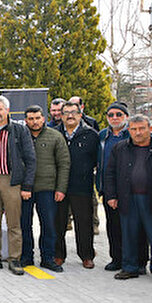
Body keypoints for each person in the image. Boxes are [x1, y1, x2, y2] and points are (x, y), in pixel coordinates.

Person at [0, 96, 36, 275]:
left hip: (11, 181)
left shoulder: (19, 130)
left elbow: (30, 159)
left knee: (13, 223)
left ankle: (14, 259)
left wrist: (27, 186)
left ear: (7, 110)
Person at [98, 102, 147, 272]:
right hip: (118, 192)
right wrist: (108, 193)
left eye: (118, 114)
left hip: (141, 194)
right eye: (110, 115)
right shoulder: (108, 139)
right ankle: (123, 263)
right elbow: (106, 169)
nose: (114, 118)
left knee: (142, 230)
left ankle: (141, 262)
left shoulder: (137, 138)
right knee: (121, 230)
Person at [23, 105, 69, 272]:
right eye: (31, 119)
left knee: (49, 225)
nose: (34, 122)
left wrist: (61, 189)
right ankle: (26, 257)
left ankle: (48, 258)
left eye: (37, 118)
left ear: (43, 118)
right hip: (25, 190)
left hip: (48, 189)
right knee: (24, 224)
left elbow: (64, 164)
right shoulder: (20, 136)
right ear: (25, 120)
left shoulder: (55, 136)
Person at [54, 101, 99, 269]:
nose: (70, 115)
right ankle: (59, 255)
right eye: (66, 112)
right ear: (61, 116)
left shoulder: (91, 135)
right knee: (58, 222)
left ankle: (86, 255)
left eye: (73, 112)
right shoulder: (54, 134)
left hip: (82, 186)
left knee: (84, 223)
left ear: (80, 115)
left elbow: (97, 161)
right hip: (59, 187)